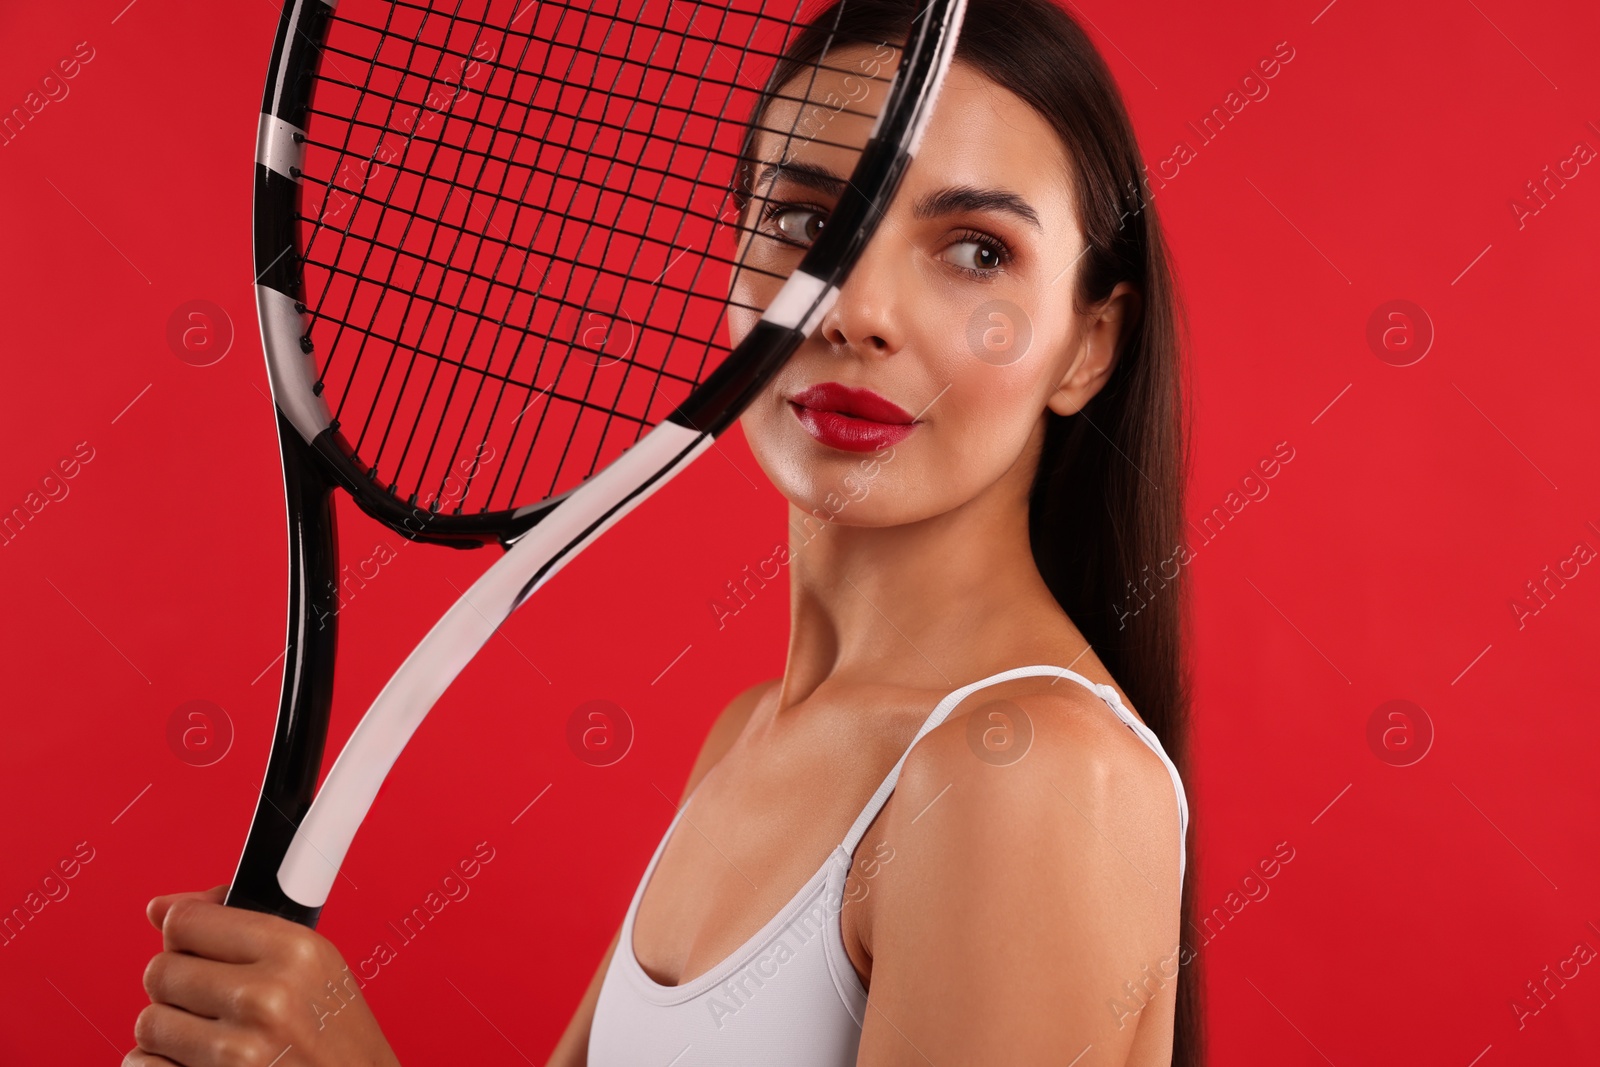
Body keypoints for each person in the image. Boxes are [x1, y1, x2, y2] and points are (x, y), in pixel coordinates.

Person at [130, 0, 1200, 1063]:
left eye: (974, 250)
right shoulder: (742, 739)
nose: (854, 306)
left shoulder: (1030, 774)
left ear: (1086, 346)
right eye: (804, 221)